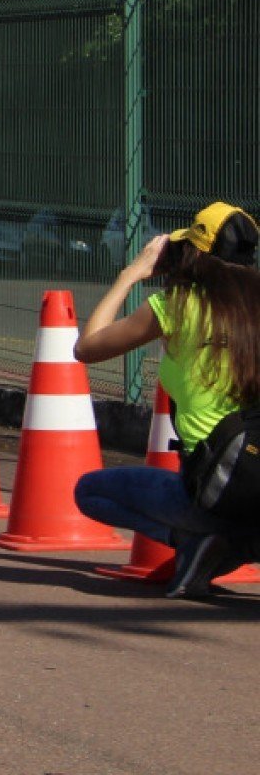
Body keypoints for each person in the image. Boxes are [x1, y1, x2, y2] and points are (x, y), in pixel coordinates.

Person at [74, 202, 260, 597]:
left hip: (215, 492)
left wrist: (132, 275)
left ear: (195, 254)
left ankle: (206, 542)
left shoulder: (176, 307)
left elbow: (87, 347)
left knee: (90, 490)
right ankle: (235, 542)